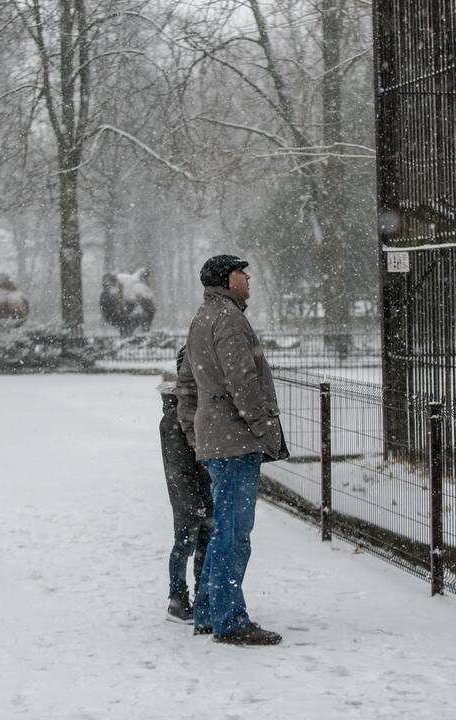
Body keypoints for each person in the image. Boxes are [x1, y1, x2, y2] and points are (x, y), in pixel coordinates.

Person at [176, 254, 289, 646]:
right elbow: (243, 381)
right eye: (243, 273)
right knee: (234, 532)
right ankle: (229, 619)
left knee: (224, 526)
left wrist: (196, 433)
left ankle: (208, 611)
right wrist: (262, 429)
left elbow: (187, 382)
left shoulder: (203, 317)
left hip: (217, 438)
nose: (248, 278)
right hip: (235, 440)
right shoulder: (227, 319)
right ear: (227, 279)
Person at [158, 346, 213, 623]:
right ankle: (177, 600)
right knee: (184, 544)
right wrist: (193, 503)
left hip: (203, 490)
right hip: (188, 497)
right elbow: (178, 469)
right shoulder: (174, 417)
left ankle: (203, 596)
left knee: (204, 543)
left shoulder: (197, 406)